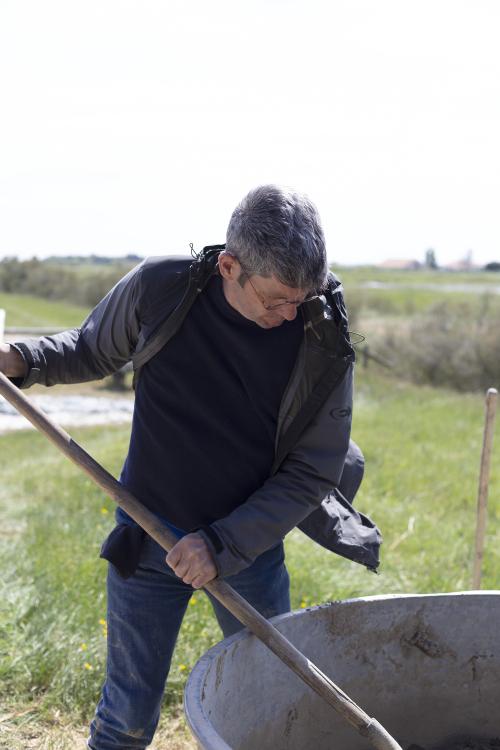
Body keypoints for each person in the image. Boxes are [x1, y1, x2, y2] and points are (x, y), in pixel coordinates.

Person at [0, 185, 381, 750]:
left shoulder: (320, 334)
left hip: (247, 549)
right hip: (147, 530)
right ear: (230, 266)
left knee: (272, 704)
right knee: (125, 715)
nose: (289, 313)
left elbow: (312, 470)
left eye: (301, 299)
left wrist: (221, 545)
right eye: (276, 299)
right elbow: (89, 350)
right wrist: (21, 359)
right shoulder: (162, 289)